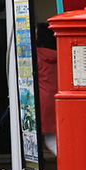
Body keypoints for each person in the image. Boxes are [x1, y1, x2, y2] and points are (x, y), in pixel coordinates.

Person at [36, 22, 58, 156]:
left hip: (41, 100)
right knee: (54, 137)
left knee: (43, 138)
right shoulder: (61, 54)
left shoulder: (36, 54)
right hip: (58, 98)